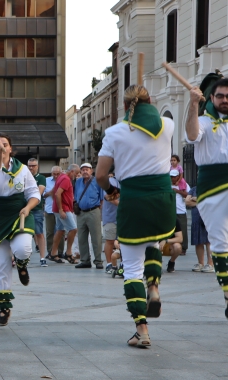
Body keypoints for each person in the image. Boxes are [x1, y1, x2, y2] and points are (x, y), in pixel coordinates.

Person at [96, 84, 175, 348]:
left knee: (131, 269)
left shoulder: (115, 132)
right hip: (162, 200)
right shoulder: (167, 125)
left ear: (124, 106)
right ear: (150, 101)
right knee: (154, 241)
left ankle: (142, 330)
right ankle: (153, 286)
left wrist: (111, 191)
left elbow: (100, 175)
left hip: (133, 201)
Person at [0, 133, 40, 326]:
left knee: (23, 249)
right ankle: (4, 308)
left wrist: (28, 207)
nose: (1, 147)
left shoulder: (22, 169)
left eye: (5, 144)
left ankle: (22, 264)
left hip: (19, 215)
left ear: (11, 148)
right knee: (1, 266)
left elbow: (33, 194)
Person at [185, 79, 228, 318]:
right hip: (212, 190)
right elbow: (191, 135)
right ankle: (227, 293)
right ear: (212, 98)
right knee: (220, 244)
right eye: (220, 96)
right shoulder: (202, 121)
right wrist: (192, 104)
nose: (224, 100)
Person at [74, 163, 105, 269]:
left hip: (93, 211)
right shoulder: (78, 182)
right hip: (81, 212)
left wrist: (99, 212)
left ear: (91, 171)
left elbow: (102, 199)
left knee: (96, 237)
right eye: (82, 170)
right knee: (82, 237)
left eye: (87, 169)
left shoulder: (97, 181)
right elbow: (76, 196)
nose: (85, 171)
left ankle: (98, 260)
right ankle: (85, 260)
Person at [50, 165, 80, 264]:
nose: (76, 176)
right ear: (71, 171)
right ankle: (68, 253)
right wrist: (61, 209)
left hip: (59, 208)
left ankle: (53, 253)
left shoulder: (61, 177)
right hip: (63, 209)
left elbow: (55, 191)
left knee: (60, 230)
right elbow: (57, 193)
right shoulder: (66, 179)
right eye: (76, 174)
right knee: (73, 229)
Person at [186, 187, 214, 273]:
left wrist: (196, 200)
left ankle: (210, 264)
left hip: (208, 217)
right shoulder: (194, 189)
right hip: (196, 219)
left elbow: (211, 201)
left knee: (208, 241)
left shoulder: (210, 187)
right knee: (198, 242)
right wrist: (202, 201)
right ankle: (200, 263)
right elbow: (187, 202)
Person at [27, 158, 47, 267]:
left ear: (37, 166)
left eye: (33, 166)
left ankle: (42, 258)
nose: (31, 168)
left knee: (39, 233)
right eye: (29, 166)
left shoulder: (41, 178)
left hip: (36, 209)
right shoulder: (24, 177)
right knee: (25, 233)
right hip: (24, 208)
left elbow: (39, 193)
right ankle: (24, 257)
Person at [170, 169, 190, 265]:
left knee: (183, 229)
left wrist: (177, 191)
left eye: (174, 176)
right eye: (171, 177)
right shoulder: (167, 184)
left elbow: (188, 195)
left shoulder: (183, 184)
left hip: (180, 211)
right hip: (170, 211)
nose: (173, 178)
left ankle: (183, 248)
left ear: (178, 176)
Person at [43, 166, 64, 260]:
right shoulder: (46, 180)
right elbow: (42, 194)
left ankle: (60, 252)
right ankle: (50, 251)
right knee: (49, 232)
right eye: (54, 174)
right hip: (49, 210)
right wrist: (51, 192)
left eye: (57, 174)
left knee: (61, 232)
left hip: (61, 210)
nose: (56, 176)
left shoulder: (64, 180)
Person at [103, 175, 120, 274]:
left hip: (123, 217)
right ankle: (109, 264)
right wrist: (122, 205)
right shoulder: (110, 181)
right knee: (110, 240)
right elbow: (108, 196)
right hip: (111, 217)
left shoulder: (125, 180)